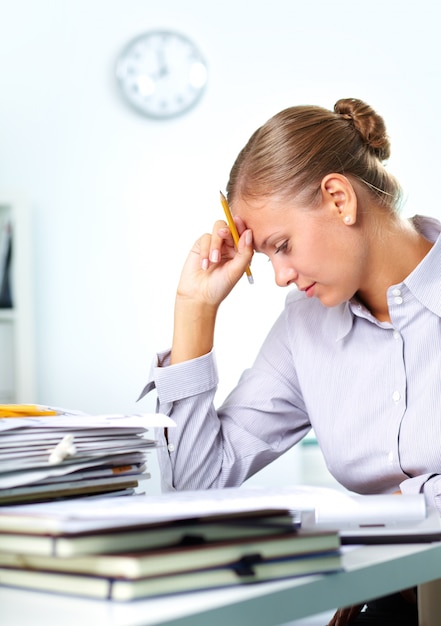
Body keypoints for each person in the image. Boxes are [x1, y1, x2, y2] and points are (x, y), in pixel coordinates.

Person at [140, 98, 441, 624]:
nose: (280, 275)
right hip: (402, 600)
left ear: (338, 198)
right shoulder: (304, 327)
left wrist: (404, 507)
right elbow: (195, 481)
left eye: (282, 245)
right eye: (266, 259)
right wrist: (195, 310)